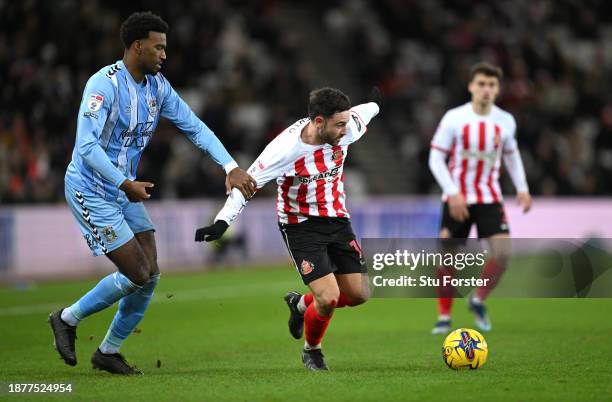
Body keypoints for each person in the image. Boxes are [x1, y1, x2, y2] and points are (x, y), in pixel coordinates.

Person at [48, 11, 256, 375]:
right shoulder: (104, 85)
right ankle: (67, 318)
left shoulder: (158, 87)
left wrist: (230, 166)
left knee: (151, 273)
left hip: (123, 190)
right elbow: (85, 146)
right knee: (137, 271)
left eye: (165, 48)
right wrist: (123, 182)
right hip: (91, 189)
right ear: (137, 46)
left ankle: (108, 351)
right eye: (158, 47)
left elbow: (194, 127)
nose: (164, 54)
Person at [195, 87, 380, 371]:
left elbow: (367, 110)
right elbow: (247, 185)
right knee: (329, 297)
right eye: (339, 124)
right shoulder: (284, 150)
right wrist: (222, 222)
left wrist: (377, 100)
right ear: (319, 122)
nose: (345, 130)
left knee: (359, 295)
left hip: (338, 219)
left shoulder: (349, 126)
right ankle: (312, 350)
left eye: (346, 122)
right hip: (300, 226)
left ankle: (300, 305)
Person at [428, 62, 532, 334]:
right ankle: (443, 316)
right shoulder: (454, 118)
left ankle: (478, 298)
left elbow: (511, 155)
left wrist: (522, 188)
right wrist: (452, 193)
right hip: (457, 198)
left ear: (497, 89)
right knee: (447, 258)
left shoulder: (506, 120)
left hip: (488, 197)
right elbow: (435, 158)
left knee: (504, 252)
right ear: (471, 86)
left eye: (492, 85)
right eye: (482, 84)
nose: (486, 89)